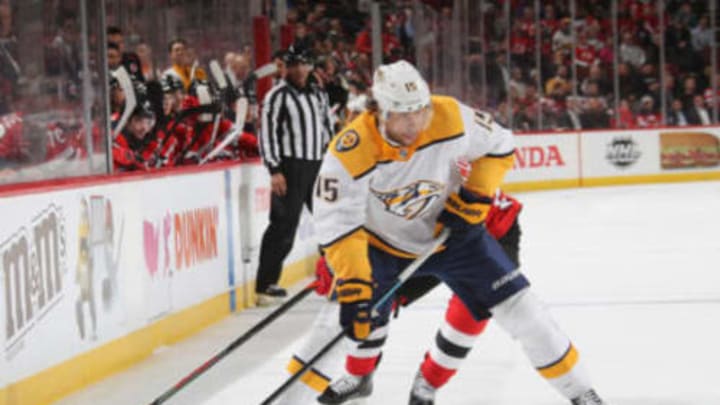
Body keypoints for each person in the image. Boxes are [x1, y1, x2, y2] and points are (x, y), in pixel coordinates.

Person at [312, 60, 605, 405]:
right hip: (384, 244)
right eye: (403, 114)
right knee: (366, 310)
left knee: (523, 311)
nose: (415, 122)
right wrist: (352, 275)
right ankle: (359, 376)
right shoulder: (351, 148)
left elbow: (501, 145)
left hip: (455, 237)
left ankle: (580, 392)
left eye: (420, 111)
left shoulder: (449, 115)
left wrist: (474, 198)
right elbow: (337, 220)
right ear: (380, 111)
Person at [275, 189, 522, 405]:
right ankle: (359, 375)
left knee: (471, 311)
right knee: (371, 295)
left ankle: (429, 382)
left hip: (486, 228)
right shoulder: (361, 158)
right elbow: (347, 216)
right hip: (417, 231)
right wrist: (337, 261)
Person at [255, 44, 335, 305]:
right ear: (286, 67)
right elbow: (267, 133)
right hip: (289, 167)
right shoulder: (277, 96)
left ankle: (337, 276)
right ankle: (266, 284)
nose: (299, 69)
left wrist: (333, 162)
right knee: (283, 226)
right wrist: (275, 170)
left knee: (331, 221)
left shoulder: (318, 94)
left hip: (317, 165)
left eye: (304, 63)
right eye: (294, 64)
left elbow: (327, 129)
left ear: (311, 66)